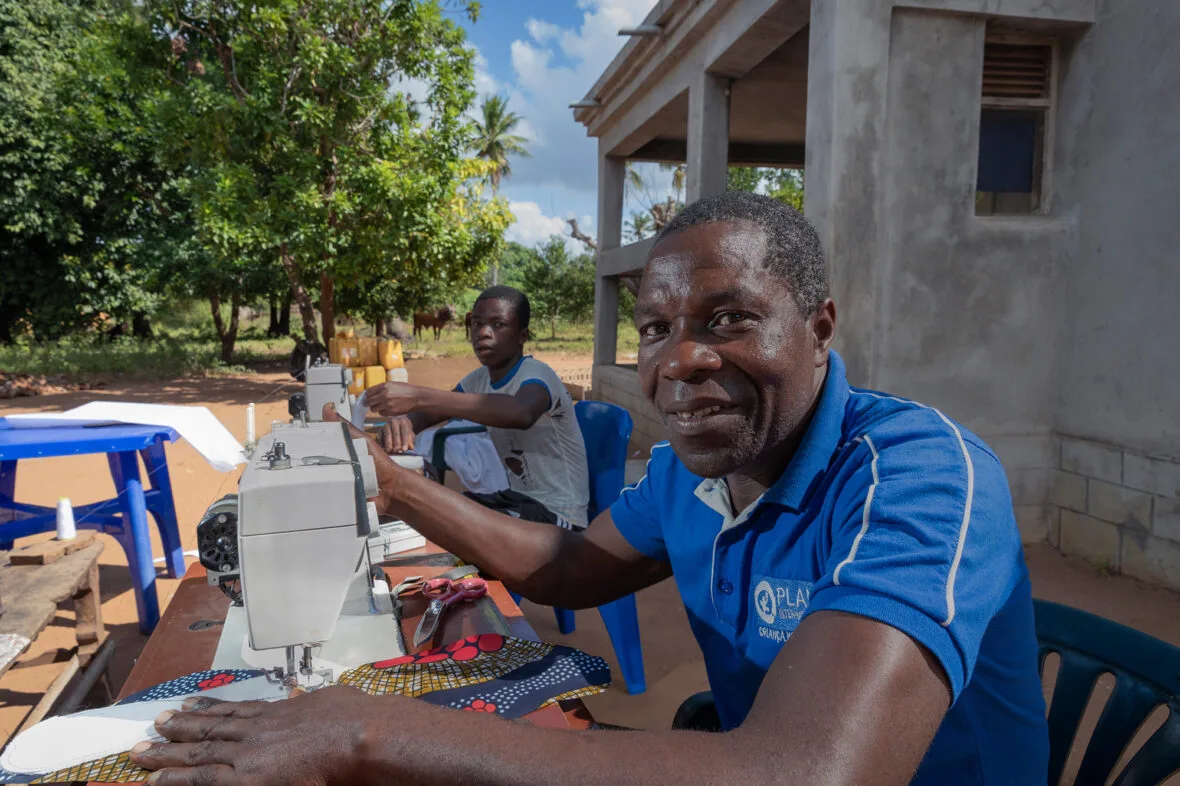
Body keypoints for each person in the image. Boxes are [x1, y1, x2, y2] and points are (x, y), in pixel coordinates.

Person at [131, 192, 1049, 785]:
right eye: (655, 328)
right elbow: (570, 567)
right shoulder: (697, 479)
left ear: (818, 326)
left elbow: (812, 771)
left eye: (729, 318)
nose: (681, 360)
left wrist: (368, 734)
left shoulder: (918, 476)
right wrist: (393, 491)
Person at [369, 285, 591, 530]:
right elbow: (432, 412)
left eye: (498, 324)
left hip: (560, 519)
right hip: (518, 501)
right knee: (430, 510)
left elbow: (521, 412)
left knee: (449, 524)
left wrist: (419, 395)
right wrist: (405, 423)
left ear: (522, 335)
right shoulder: (479, 380)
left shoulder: (538, 375)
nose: (483, 332)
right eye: (476, 323)